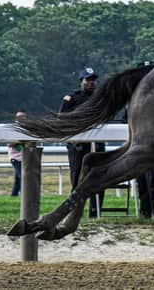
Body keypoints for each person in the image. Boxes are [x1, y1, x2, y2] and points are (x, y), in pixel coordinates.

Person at [122, 61, 154, 220]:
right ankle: (146, 216)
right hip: (142, 149)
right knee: (144, 184)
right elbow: (125, 120)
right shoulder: (133, 97)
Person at [59, 67, 106, 217]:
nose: (91, 83)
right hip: (78, 145)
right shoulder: (72, 98)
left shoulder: (101, 97)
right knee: (77, 179)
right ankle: (74, 212)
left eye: (93, 80)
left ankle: (95, 212)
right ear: (81, 81)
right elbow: (62, 117)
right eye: (88, 80)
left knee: (98, 179)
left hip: (97, 144)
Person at [7, 110, 26, 196]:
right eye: (19, 117)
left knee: (18, 179)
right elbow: (10, 143)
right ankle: (24, 196)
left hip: (24, 157)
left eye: (23, 117)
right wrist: (22, 142)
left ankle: (13, 195)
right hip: (15, 157)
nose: (21, 119)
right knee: (22, 177)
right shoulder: (13, 128)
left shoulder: (26, 127)